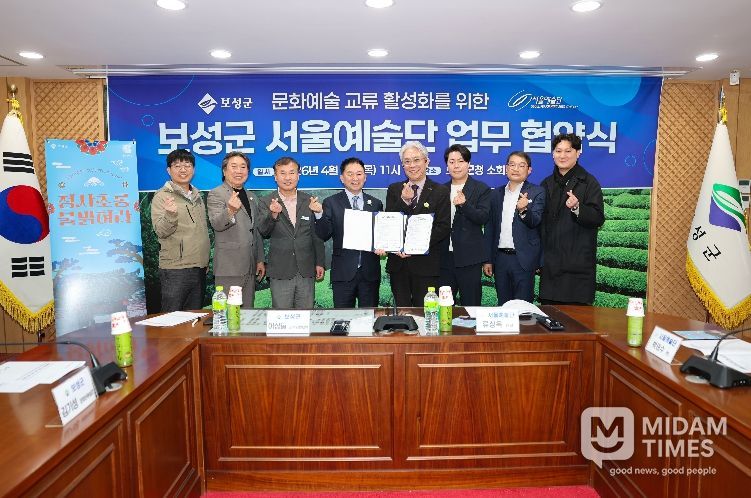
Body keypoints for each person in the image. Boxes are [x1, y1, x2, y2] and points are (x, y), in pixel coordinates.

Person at [539, 133, 605, 305]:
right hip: (550, 268)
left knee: (577, 318)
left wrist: (577, 208)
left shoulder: (589, 182)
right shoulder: (545, 184)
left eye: (568, 151)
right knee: (550, 317)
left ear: (578, 153)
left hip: (577, 267)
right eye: (558, 151)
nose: (562, 155)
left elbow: (598, 217)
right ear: (552, 154)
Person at [310, 157, 383, 308]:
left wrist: (383, 245)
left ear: (365, 177)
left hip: (370, 273)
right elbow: (324, 234)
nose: (355, 178)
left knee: (369, 317)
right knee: (343, 318)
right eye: (350, 174)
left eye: (359, 174)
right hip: (343, 273)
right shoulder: (331, 202)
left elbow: (381, 233)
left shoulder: (376, 203)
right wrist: (319, 214)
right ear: (342, 178)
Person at [384, 141, 450, 307]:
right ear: (402, 165)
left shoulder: (440, 191)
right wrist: (404, 201)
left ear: (426, 162)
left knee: (425, 312)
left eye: (416, 160)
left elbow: (442, 227)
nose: (412, 165)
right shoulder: (394, 189)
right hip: (398, 264)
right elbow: (389, 223)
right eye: (407, 161)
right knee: (402, 313)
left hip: (426, 265)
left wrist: (414, 247)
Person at [258, 157, 325, 309]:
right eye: (282, 173)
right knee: (281, 318)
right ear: (275, 177)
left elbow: (316, 235)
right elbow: (263, 231)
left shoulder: (309, 201)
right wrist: (273, 214)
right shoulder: (266, 201)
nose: (287, 178)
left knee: (306, 316)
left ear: (298, 175)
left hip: (306, 269)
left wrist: (320, 262)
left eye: (292, 173)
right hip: (280, 270)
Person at [151, 148, 210, 312]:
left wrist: (204, 261)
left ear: (193, 169)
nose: (183, 170)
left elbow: (201, 232)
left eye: (187, 165)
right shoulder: (162, 196)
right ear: (168, 170)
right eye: (177, 166)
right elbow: (161, 231)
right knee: (173, 317)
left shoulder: (197, 196)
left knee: (194, 317)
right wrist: (170, 214)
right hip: (175, 269)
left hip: (199, 267)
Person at [483, 151, 545, 304]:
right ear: (506, 168)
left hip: (523, 259)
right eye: (512, 165)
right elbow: (490, 228)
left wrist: (524, 210)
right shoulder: (495, 194)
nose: (516, 169)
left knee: (523, 307)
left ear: (529, 170)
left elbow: (536, 221)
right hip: (500, 259)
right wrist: (488, 259)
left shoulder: (537, 192)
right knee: (504, 305)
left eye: (521, 165)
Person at [207, 151, 266, 308]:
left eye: (243, 167)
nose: (239, 171)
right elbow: (216, 224)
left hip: (250, 266)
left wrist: (259, 259)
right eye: (234, 166)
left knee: (247, 313)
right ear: (224, 170)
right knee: (229, 314)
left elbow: (255, 230)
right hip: (229, 268)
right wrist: (230, 211)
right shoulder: (216, 194)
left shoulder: (251, 196)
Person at [439, 144, 490, 306]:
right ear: (447, 165)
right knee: (445, 306)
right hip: (444, 258)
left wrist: (464, 205)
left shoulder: (481, 188)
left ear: (468, 164)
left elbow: (482, 217)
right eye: (451, 161)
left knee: (471, 305)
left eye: (460, 161)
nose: (456, 165)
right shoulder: (441, 190)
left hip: (470, 259)